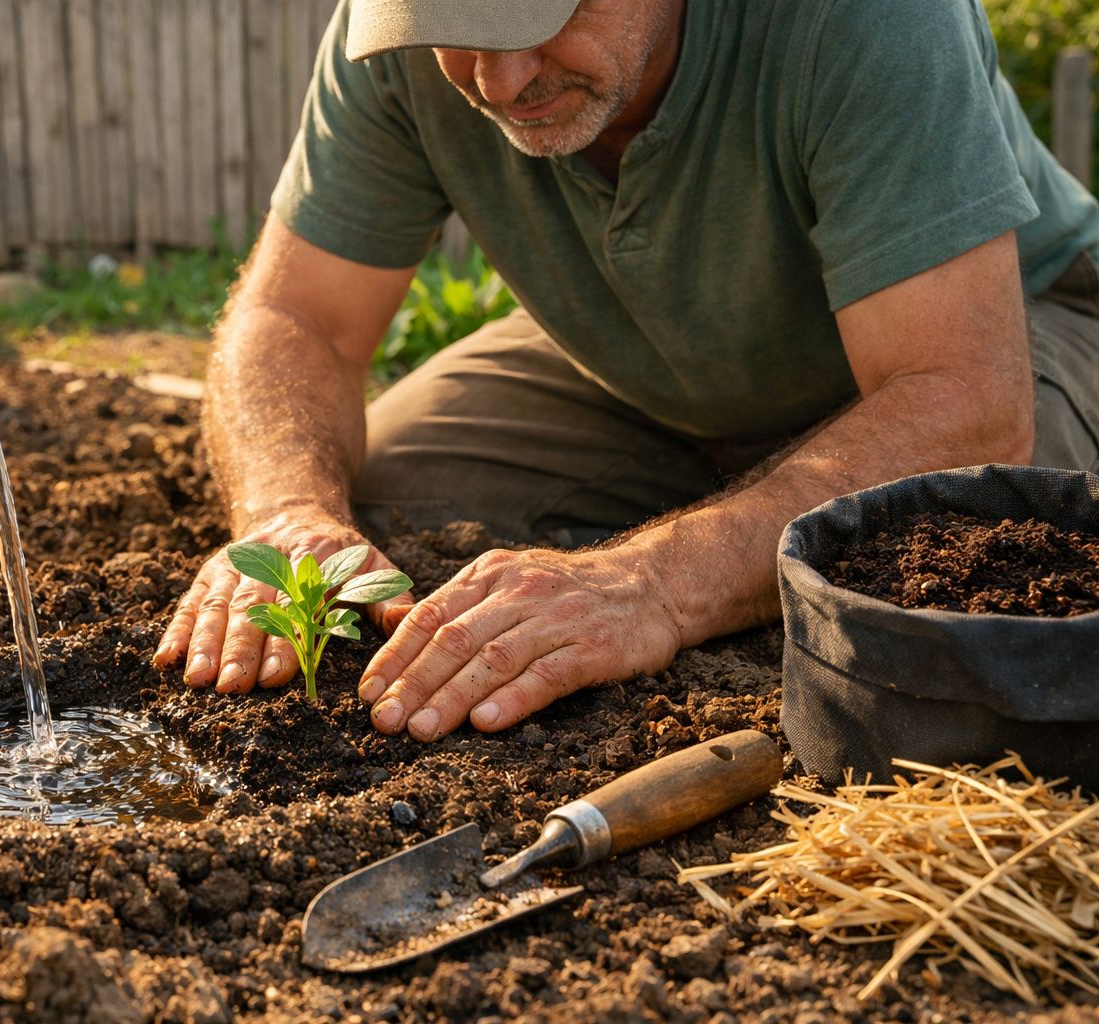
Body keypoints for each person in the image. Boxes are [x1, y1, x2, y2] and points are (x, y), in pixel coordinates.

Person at [152, 0, 1099, 743]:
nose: (499, 78)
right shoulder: (402, 44)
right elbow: (296, 316)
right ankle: (750, 522)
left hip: (1008, 327)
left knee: (974, 585)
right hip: (642, 358)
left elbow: (965, 403)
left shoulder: (862, 14)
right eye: (458, 31)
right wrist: (285, 516)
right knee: (391, 500)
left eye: (535, 19)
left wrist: (655, 580)